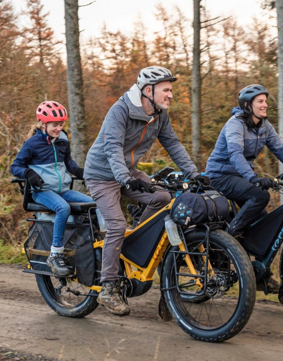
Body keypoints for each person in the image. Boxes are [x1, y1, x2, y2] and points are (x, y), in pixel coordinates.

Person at [84, 66, 209, 316]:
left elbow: (172, 143)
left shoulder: (159, 114)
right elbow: (113, 148)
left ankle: (134, 245)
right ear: (148, 91)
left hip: (127, 172)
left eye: (171, 90)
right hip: (101, 175)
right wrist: (126, 179)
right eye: (167, 90)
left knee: (163, 198)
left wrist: (194, 173)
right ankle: (108, 287)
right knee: (117, 225)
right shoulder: (119, 110)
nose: (171, 95)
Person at [205, 84, 283, 292]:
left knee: (263, 223)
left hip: (242, 177)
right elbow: (235, 154)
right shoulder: (235, 124)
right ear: (248, 105)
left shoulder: (265, 126)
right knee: (260, 196)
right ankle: (229, 237)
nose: (265, 104)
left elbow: (281, 150)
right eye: (260, 101)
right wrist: (253, 177)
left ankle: (260, 275)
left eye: (265, 101)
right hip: (220, 175)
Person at [11, 101, 92, 277]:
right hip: (42, 191)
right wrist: (29, 173)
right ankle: (55, 254)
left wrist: (78, 171)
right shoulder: (32, 143)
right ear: (43, 123)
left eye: (61, 124)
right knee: (63, 208)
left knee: (95, 205)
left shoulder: (63, 139)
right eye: (55, 125)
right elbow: (15, 166)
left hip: (62, 189)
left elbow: (68, 162)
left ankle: (77, 244)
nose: (58, 128)